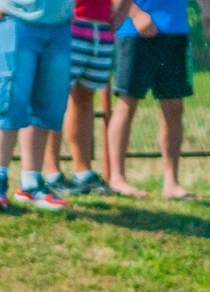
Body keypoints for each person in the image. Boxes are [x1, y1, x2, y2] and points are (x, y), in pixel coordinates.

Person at [105, 0, 210, 198]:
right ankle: (117, 178)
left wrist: (207, 9)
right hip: (134, 31)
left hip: (175, 31)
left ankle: (171, 183)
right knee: (127, 103)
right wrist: (135, 13)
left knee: (174, 106)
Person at [0, 0, 75, 211]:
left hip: (59, 26)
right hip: (14, 21)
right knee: (8, 101)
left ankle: (31, 182)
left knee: (47, 104)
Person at [40, 0, 129, 195]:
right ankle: (52, 173)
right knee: (56, 96)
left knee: (84, 99)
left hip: (101, 26)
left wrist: (122, 10)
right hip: (71, 24)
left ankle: (83, 172)